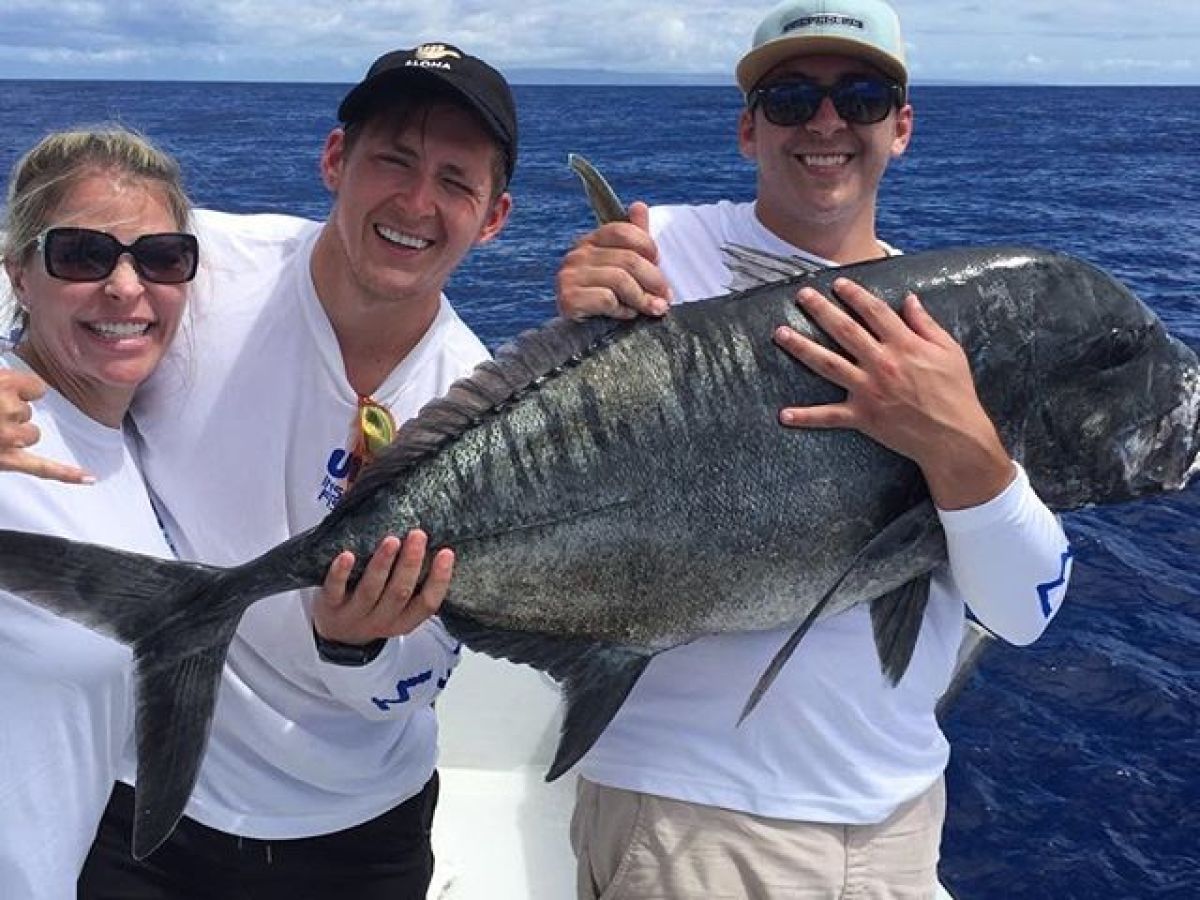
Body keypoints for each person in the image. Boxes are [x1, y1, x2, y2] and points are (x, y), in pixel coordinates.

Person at [556, 1, 1072, 897]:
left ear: (901, 127)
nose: (827, 123)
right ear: (748, 127)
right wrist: (577, 308)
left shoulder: (955, 324)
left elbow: (1026, 611)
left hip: (901, 823)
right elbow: (553, 454)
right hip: (686, 822)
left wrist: (961, 449)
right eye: (792, 98)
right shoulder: (658, 256)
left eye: (862, 96)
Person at [47, 45, 512, 898]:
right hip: (138, 795)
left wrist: (356, 642)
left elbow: (424, 669)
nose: (416, 201)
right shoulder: (190, 266)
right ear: (335, 161)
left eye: (456, 180)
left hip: (358, 827)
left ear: (494, 218)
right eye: (393, 161)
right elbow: (47, 300)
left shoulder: (483, 409)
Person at [0, 126, 197, 897]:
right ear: (19, 271)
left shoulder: (134, 441)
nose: (125, 287)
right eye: (82, 255)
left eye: (160, 257)